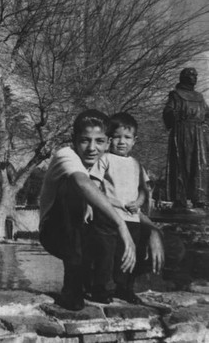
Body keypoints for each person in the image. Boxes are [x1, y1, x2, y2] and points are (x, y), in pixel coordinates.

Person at [39, 109, 164, 311]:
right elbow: (82, 184)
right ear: (74, 140)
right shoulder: (66, 154)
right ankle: (73, 287)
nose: (91, 148)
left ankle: (112, 283)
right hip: (58, 232)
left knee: (173, 246)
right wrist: (120, 224)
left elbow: (123, 203)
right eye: (85, 140)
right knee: (74, 189)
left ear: (107, 143)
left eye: (99, 141)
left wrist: (153, 230)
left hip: (94, 234)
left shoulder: (109, 162)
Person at [87, 112, 150, 304]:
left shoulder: (137, 165)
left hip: (131, 219)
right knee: (106, 255)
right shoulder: (105, 159)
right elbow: (93, 187)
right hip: (108, 217)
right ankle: (101, 290)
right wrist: (98, 206)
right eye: (116, 137)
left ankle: (125, 289)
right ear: (108, 139)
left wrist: (138, 202)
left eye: (127, 137)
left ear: (134, 141)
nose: (121, 142)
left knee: (129, 255)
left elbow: (144, 190)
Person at [163, 67, 209, 208]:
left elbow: (207, 114)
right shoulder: (176, 95)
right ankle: (179, 197)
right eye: (190, 75)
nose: (194, 77)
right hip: (181, 132)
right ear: (183, 77)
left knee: (199, 164)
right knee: (180, 163)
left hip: (198, 134)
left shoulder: (200, 97)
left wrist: (205, 124)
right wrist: (175, 116)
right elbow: (168, 112)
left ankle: (199, 197)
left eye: (195, 75)